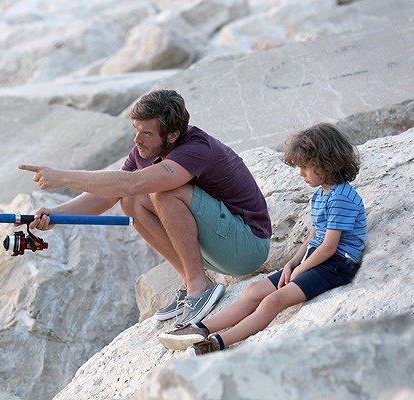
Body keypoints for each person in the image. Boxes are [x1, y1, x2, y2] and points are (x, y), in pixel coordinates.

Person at [18, 89, 272, 326]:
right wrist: (56, 215)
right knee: (131, 201)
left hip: (248, 247)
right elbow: (113, 193)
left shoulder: (196, 149)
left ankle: (199, 287)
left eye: (147, 133)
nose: (137, 139)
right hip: (219, 247)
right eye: (135, 129)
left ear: (172, 135)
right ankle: (191, 280)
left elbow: (132, 182)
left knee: (163, 191)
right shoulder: (144, 151)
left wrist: (64, 177)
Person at [158, 122, 366, 356]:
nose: (301, 174)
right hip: (317, 259)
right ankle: (199, 328)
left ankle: (217, 342)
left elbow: (329, 247)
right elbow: (315, 236)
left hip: (337, 265)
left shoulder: (342, 198)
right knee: (254, 291)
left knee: (273, 301)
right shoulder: (322, 194)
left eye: (306, 167)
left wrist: (301, 270)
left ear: (325, 163)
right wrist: (292, 263)